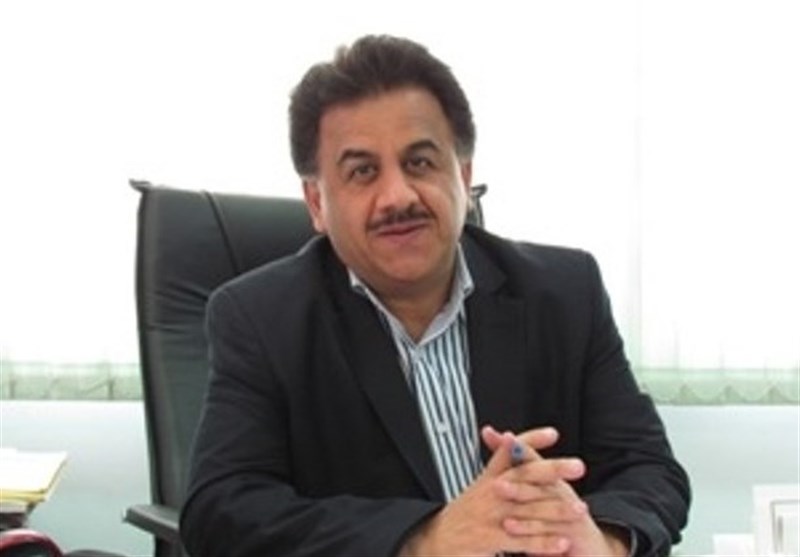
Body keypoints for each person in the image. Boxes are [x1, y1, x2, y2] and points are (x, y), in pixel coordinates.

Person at [180, 35, 690, 557]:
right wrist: (423, 539)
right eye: (362, 172)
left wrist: (604, 541)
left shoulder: (564, 292)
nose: (398, 196)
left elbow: (649, 468)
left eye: (420, 163)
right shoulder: (261, 320)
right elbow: (222, 513)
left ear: (463, 177)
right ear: (316, 203)